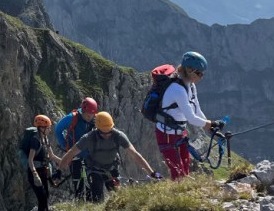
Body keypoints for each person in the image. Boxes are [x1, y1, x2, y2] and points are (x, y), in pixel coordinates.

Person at [57, 111, 161, 201]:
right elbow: (71, 153)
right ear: (97, 128)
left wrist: (152, 173)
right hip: (94, 170)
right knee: (97, 199)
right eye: (103, 133)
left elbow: (135, 154)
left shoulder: (118, 135)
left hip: (111, 169)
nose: (107, 135)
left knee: (118, 198)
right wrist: (59, 170)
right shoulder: (88, 138)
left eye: (109, 132)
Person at [156, 51, 221, 180]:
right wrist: (210, 124)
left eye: (203, 74)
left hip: (179, 131)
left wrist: (209, 125)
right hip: (166, 134)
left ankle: (183, 195)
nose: (201, 77)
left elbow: (196, 110)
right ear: (189, 70)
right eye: (199, 73)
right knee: (177, 172)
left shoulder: (190, 86)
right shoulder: (177, 89)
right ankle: (177, 198)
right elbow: (191, 118)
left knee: (185, 168)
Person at [55, 97, 97, 199]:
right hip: (74, 155)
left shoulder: (93, 120)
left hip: (88, 155)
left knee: (91, 180)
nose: (89, 118)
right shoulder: (72, 118)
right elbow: (58, 129)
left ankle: (90, 203)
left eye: (91, 116)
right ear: (83, 110)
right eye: (87, 115)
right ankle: (80, 202)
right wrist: (65, 146)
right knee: (77, 180)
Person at [23, 114, 62, 211]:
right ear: (41, 128)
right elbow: (30, 160)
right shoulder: (35, 140)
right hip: (35, 172)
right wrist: (35, 175)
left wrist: (64, 161)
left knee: (46, 196)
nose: (50, 130)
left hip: (44, 171)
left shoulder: (45, 139)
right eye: (48, 127)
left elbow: (52, 156)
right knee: (42, 198)